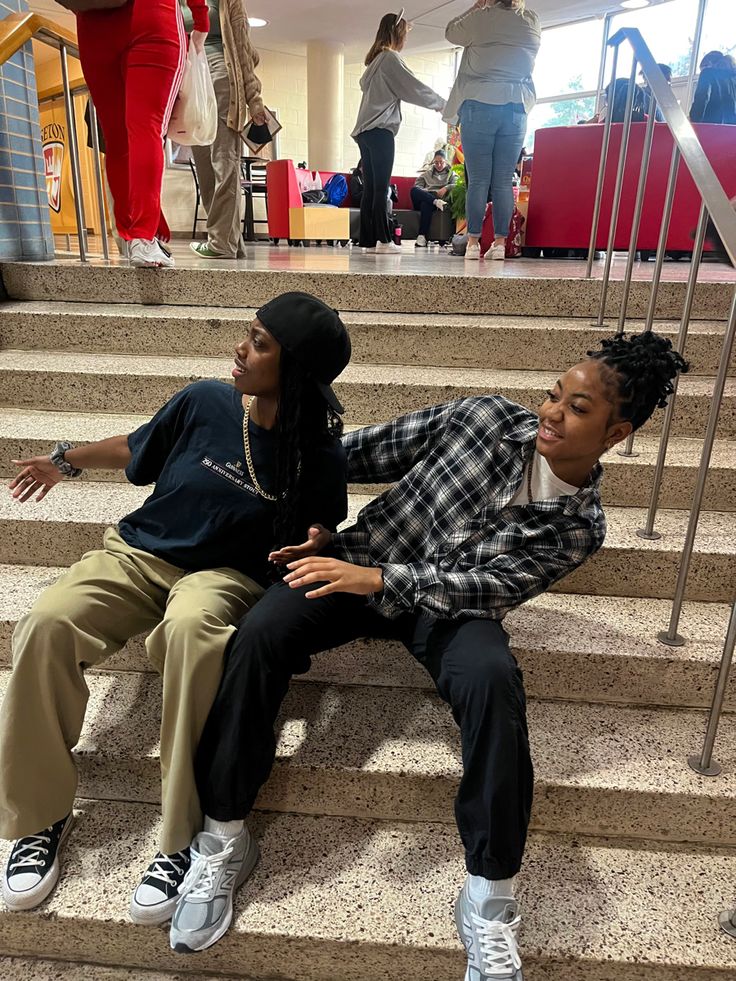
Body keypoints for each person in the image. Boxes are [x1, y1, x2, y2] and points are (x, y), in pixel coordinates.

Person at [168, 331, 688, 971]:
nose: (552, 413)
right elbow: (354, 454)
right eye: (555, 395)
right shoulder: (483, 420)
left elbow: (486, 587)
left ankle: (489, 899)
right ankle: (222, 836)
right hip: (362, 559)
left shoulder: (580, 527)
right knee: (259, 634)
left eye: (579, 410)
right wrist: (306, 507)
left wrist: (387, 581)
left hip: (450, 609)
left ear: (615, 434)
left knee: (493, 680)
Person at [0, 292, 351, 927]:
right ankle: (37, 816)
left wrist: (322, 538)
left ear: (294, 368)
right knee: (46, 623)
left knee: (191, 632)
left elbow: (326, 521)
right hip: (141, 553)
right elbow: (138, 451)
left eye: (261, 343)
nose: (241, 349)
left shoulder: (316, 452)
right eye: (248, 333)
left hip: (224, 577)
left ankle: (179, 837)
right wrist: (63, 462)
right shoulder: (206, 401)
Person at [74, 0, 210, 268]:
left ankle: (129, 236)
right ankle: (143, 237)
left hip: (93, 23)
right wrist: (200, 19)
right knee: (146, 129)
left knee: (116, 140)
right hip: (153, 16)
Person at [444, 0, 541, 261]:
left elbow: (450, 32)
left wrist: (476, 7)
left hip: (479, 103)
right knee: (502, 181)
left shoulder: (481, 18)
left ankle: (473, 243)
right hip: (515, 108)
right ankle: (499, 244)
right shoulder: (530, 21)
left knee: (477, 181)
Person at [351, 10, 446, 255]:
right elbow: (412, 87)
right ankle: (384, 240)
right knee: (381, 188)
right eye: (405, 34)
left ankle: (368, 241)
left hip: (364, 131)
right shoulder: (389, 59)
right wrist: (442, 104)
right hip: (380, 130)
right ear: (397, 34)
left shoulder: (374, 63)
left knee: (371, 188)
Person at [183, 0, 267, 260]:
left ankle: (220, 242)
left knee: (223, 161)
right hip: (190, 80)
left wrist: (255, 100)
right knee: (204, 165)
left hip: (221, 76)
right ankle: (230, 241)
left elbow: (241, 48)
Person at [410, 148, 456, 248]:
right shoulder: (427, 173)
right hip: (429, 196)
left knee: (425, 204)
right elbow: (417, 186)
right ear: (433, 162)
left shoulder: (451, 173)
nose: (438, 165)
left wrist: (446, 187)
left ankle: (421, 236)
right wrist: (426, 192)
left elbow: (457, 184)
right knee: (413, 190)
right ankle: (435, 201)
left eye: (441, 162)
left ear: (446, 161)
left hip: (440, 202)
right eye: (436, 162)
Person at [690, 51, 736, 125]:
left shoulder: (708, 73)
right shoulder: (733, 78)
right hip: (732, 129)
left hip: (711, 126)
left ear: (709, 63)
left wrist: (693, 119)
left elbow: (702, 98)